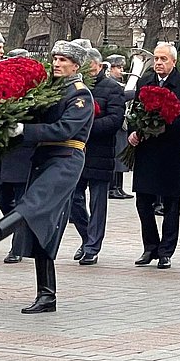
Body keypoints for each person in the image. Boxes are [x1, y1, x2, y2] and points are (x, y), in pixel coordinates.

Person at [0, 40, 94, 314]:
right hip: (42, 159)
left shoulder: (80, 94)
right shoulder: (50, 90)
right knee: (42, 227)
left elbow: (65, 129)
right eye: (54, 58)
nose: (56, 63)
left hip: (66, 158)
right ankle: (47, 295)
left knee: (34, 202)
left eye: (63, 59)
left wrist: (24, 131)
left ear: (76, 65)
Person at [129, 42, 180, 269]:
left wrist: (165, 125)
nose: (158, 63)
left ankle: (166, 250)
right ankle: (150, 247)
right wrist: (135, 130)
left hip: (171, 152)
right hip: (147, 151)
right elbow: (135, 112)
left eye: (163, 60)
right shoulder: (145, 82)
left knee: (171, 204)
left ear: (174, 62)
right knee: (143, 201)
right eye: (156, 59)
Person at [70, 47, 125, 266]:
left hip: (100, 152)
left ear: (97, 65)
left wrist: (86, 125)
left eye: (87, 64)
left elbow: (114, 120)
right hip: (75, 151)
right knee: (73, 199)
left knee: (98, 202)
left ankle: (93, 246)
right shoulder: (75, 86)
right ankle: (86, 238)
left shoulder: (112, 88)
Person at [105, 54, 134, 200]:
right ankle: (112, 187)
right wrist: (134, 92)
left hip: (123, 124)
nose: (121, 70)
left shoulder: (119, 83)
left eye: (122, 67)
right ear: (110, 68)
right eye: (118, 67)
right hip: (115, 125)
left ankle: (119, 187)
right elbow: (122, 96)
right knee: (116, 156)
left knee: (121, 156)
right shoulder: (110, 83)